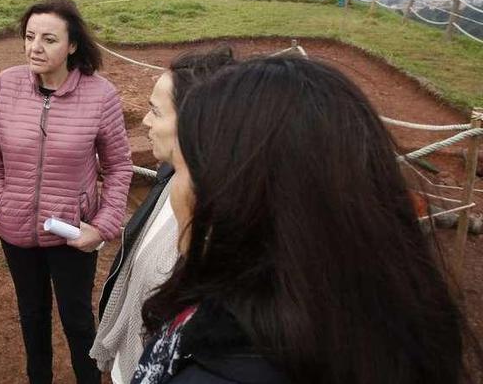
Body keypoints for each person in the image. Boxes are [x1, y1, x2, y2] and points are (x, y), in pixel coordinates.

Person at [133, 56, 480, 384]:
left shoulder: (219, 368)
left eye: (180, 169)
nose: (174, 187)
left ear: (239, 201)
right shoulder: (388, 314)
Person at [0, 0, 133, 384]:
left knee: (78, 321)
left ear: (73, 45)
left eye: (48, 39)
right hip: (15, 229)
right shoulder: (7, 84)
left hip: (70, 233)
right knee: (32, 317)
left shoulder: (101, 95)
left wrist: (103, 225)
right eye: (30, 37)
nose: (35, 48)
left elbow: (118, 166)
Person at [90, 46, 236, 383]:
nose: (145, 120)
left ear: (195, 122)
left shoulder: (221, 230)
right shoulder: (172, 176)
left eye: (156, 111)